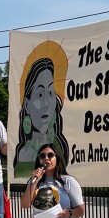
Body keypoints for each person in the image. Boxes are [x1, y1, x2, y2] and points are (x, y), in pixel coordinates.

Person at [14, 43, 69, 178]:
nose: (46, 104)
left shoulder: (60, 146)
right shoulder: (23, 153)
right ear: (26, 104)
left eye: (50, 93)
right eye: (39, 95)